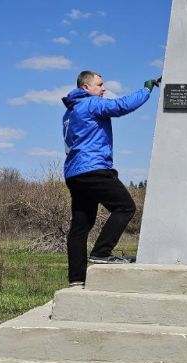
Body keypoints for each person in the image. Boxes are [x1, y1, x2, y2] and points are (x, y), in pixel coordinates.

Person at [61, 70, 160, 286]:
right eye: (100, 84)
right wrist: (146, 89)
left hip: (75, 174)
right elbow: (120, 106)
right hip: (94, 169)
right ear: (86, 87)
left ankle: (76, 279)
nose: (104, 89)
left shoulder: (70, 112)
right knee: (125, 207)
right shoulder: (90, 103)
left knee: (80, 226)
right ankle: (101, 252)